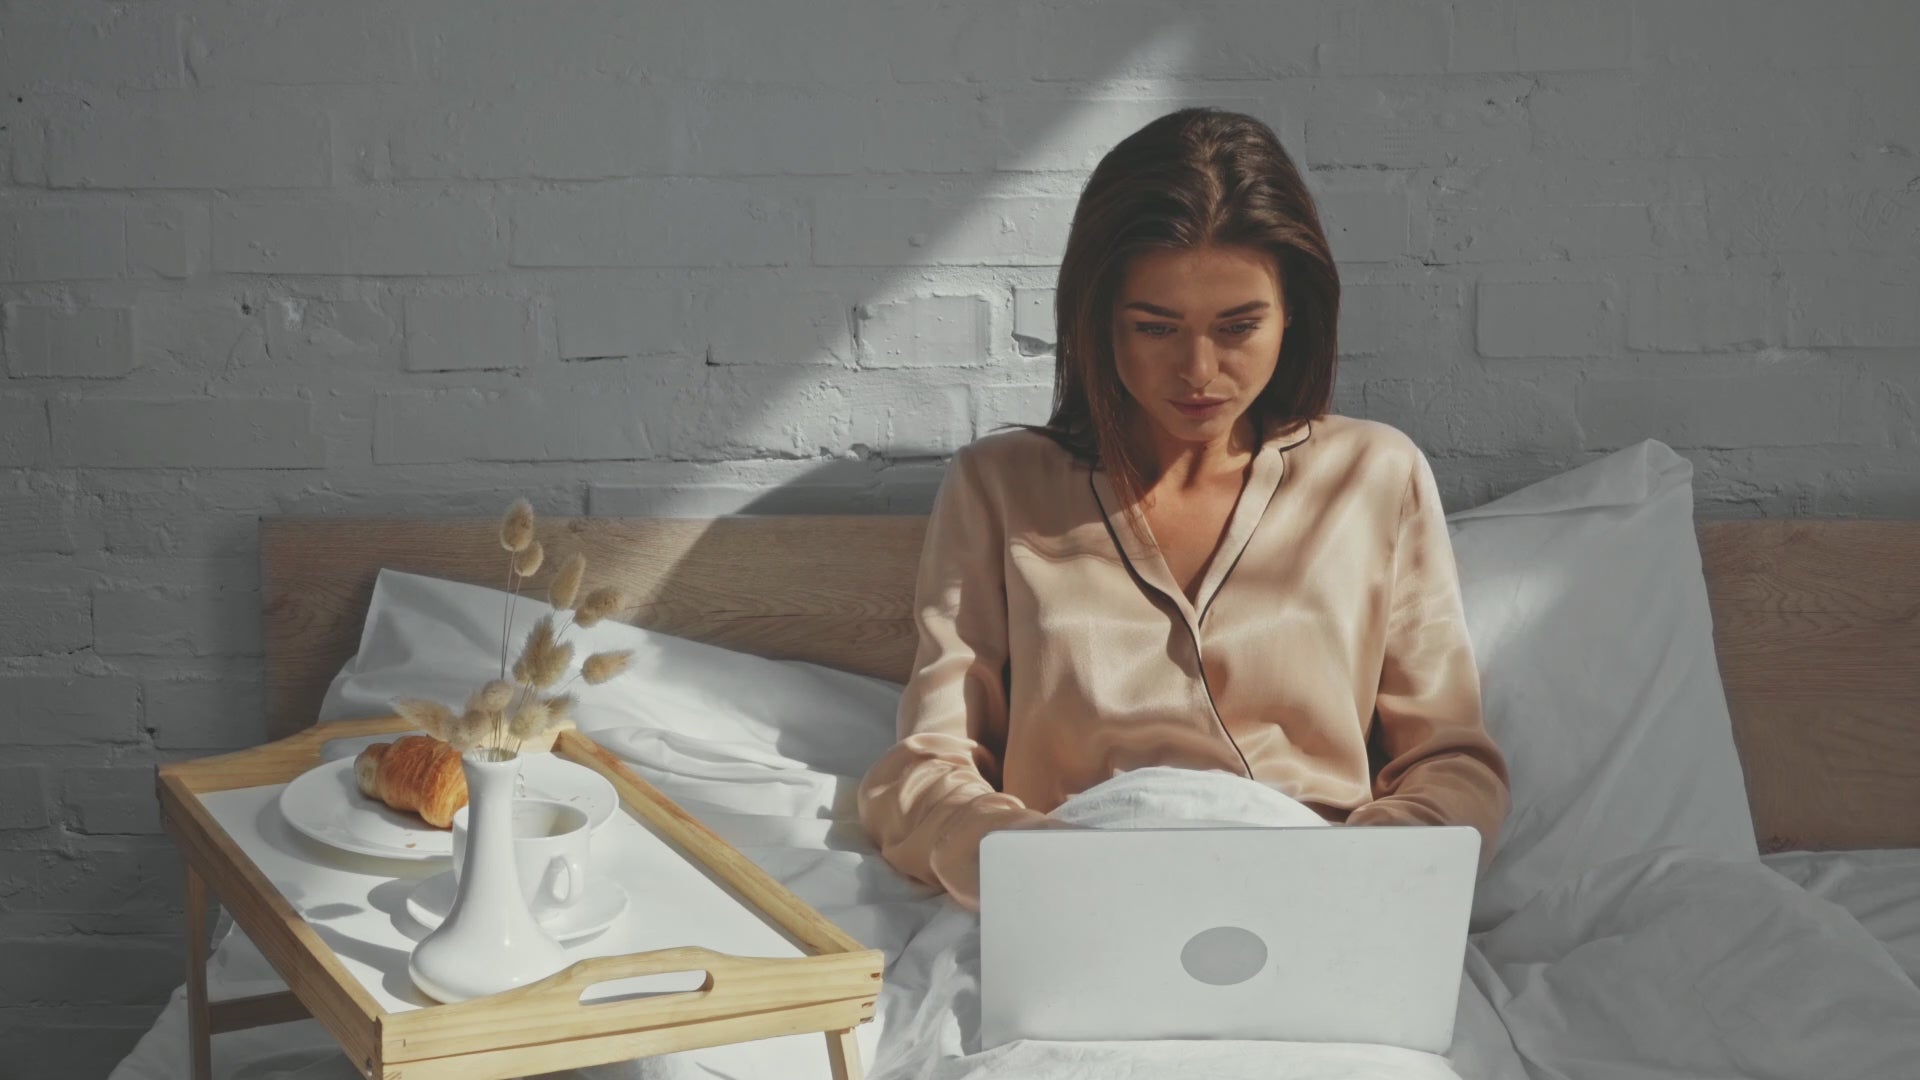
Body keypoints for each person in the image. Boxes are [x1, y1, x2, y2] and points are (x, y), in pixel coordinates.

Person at [856, 107, 1511, 913]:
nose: (1199, 371)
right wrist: (1028, 868)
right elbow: (924, 769)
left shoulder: (1376, 476)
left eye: (1239, 326)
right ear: (1100, 321)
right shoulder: (1000, 486)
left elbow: (1451, 762)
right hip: (1077, 894)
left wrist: (1374, 879)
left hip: (1314, 893)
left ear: (1294, 313)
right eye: (1155, 327)